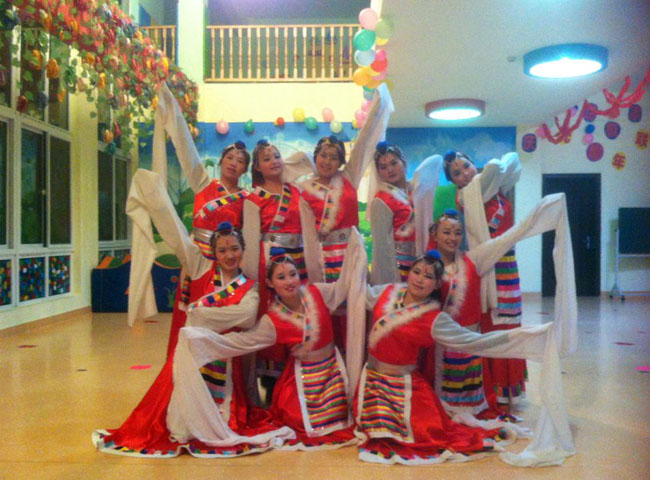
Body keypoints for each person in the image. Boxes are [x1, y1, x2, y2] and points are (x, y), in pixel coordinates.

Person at [94, 170, 288, 457]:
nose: (229, 255)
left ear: (243, 250)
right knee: (177, 425)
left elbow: (246, 317)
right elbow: (175, 234)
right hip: (192, 359)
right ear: (214, 253)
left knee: (223, 420)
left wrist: (199, 316)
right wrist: (155, 196)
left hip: (224, 361)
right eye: (223, 250)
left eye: (235, 249)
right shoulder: (200, 269)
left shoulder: (250, 287)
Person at [174, 229, 367, 450]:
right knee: (298, 421)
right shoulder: (273, 320)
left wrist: (355, 252)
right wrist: (200, 339)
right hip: (302, 381)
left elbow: (343, 288)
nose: (289, 281)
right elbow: (242, 342)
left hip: (333, 374)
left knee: (342, 418)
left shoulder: (317, 292)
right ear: (271, 283)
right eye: (281, 277)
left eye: (293, 274)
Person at [443, 150, 525, 406]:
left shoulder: (491, 189)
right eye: (457, 173)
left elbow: (513, 160)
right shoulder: (469, 196)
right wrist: (479, 175)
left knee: (510, 324)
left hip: (507, 265)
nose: (465, 174)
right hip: (489, 268)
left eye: (467, 166)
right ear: (454, 182)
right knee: (493, 325)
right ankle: (493, 387)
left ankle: (508, 387)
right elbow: (495, 167)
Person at [422, 210, 502, 419]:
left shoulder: (471, 260)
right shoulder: (426, 266)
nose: (453, 238)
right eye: (446, 232)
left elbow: (504, 242)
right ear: (435, 234)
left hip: (469, 339)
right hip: (441, 344)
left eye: (457, 233)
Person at [369, 142, 442, 285]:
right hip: (398, 267)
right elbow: (381, 247)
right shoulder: (381, 200)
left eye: (394, 163)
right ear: (378, 173)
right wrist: (390, 279)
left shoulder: (416, 189)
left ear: (404, 162)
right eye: (383, 167)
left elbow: (437, 160)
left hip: (421, 261)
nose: (390, 170)